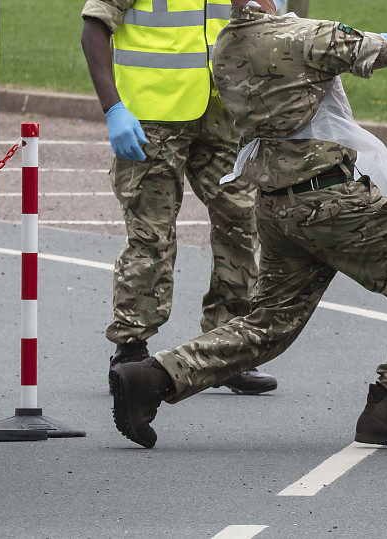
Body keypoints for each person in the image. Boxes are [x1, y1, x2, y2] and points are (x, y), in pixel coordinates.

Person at [109, 0, 387, 449]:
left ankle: (151, 377)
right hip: (331, 200)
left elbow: (318, 54)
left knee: (268, 326)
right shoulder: (304, 36)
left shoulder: (228, 45)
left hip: (277, 204)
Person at [79, 0, 277, 394]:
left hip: (223, 114)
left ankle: (228, 349)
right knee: (152, 236)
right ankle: (131, 350)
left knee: (242, 223)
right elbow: (94, 29)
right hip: (151, 120)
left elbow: (269, 29)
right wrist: (112, 108)